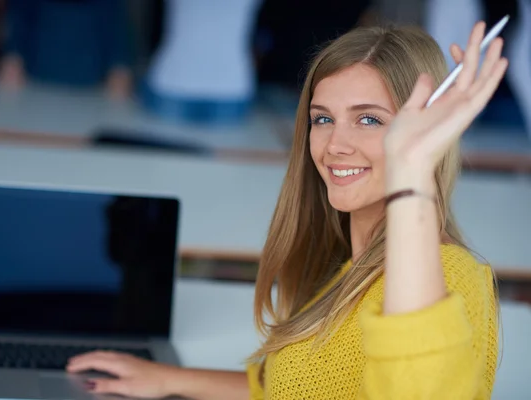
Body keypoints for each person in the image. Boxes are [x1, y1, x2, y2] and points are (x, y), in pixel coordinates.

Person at [66, 21, 506, 399]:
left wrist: (412, 175)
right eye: (322, 118)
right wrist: (167, 379)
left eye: (369, 119)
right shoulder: (349, 263)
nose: (336, 144)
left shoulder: (447, 277)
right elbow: (296, 388)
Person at [0, 0, 133, 100]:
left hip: (89, 93)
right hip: (35, 89)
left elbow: (119, 60)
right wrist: (12, 57)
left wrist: (119, 69)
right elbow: (15, 37)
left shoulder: (111, 6)